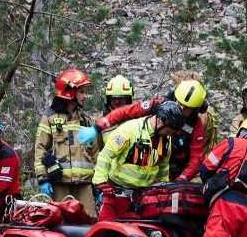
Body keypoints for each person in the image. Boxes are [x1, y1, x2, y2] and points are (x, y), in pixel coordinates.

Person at [78, 78, 210, 181]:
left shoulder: (195, 125)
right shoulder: (156, 106)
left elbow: (196, 158)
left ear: (197, 109)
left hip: (173, 171)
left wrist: (182, 179)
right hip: (144, 166)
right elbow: (124, 112)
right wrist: (98, 127)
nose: (181, 109)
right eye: (179, 103)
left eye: (187, 108)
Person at [92, 101, 186, 222]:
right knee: (103, 228)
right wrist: (101, 182)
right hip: (116, 194)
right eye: (168, 131)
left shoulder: (166, 140)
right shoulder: (129, 130)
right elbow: (105, 156)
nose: (169, 134)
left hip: (142, 197)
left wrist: (164, 188)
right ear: (159, 121)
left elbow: (163, 167)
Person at [34, 69, 101, 218]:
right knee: (59, 223)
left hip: (85, 186)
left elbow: (96, 155)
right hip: (59, 184)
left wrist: (99, 184)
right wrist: (43, 179)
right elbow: (40, 149)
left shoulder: (87, 121)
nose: (85, 96)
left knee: (89, 222)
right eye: (82, 92)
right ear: (70, 92)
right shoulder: (50, 118)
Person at [101, 74, 135, 139]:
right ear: (109, 99)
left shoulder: (137, 120)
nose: (117, 101)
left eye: (121, 98)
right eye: (114, 98)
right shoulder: (100, 122)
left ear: (128, 99)